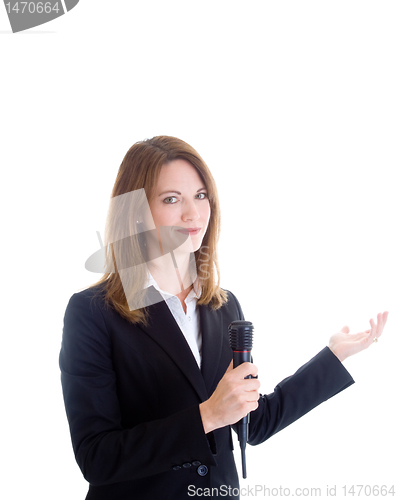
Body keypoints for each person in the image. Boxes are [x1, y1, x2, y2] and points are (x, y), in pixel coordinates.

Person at [59, 136, 388, 500]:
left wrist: (333, 356)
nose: (193, 214)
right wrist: (207, 416)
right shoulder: (93, 312)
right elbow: (97, 457)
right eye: (172, 199)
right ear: (137, 211)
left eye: (201, 196)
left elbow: (254, 421)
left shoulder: (223, 306)